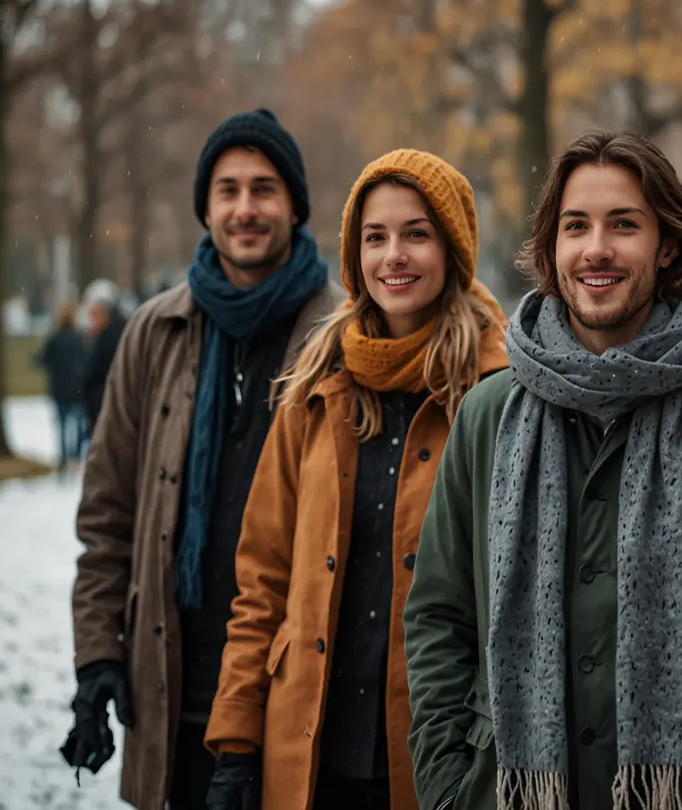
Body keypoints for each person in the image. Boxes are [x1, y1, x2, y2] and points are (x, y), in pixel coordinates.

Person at [404, 129, 682, 810]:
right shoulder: (485, 416)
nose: (596, 248)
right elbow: (438, 616)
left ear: (668, 246)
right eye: (576, 227)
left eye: (623, 224)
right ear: (552, 248)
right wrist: (450, 785)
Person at [202, 150, 508, 810]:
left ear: (452, 248)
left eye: (416, 234)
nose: (393, 256)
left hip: (443, 758)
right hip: (309, 754)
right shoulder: (315, 385)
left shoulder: (498, 391)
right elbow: (262, 581)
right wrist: (235, 740)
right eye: (375, 237)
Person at [63, 108, 345, 810]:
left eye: (263, 189)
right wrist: (98, 657)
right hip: (174, 693)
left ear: (294, 205)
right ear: (206, 207)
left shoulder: (341, 337)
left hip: (301, 705)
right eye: (228, 190)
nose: (245, 208)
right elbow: (107, 518)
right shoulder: (153, 333)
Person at [36, 300, 89, 473]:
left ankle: (64, 458)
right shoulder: (78, 338)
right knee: (79, 424)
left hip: (59, 389)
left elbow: (43, 359)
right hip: (77, 389)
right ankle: (74, 454)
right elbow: (86, 361)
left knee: (63, 424)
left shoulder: (55, 338)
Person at [80, 279, 127, 439]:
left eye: (93, 314)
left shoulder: (109, 339)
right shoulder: (109, 335)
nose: (90, 320)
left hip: (106, 411)